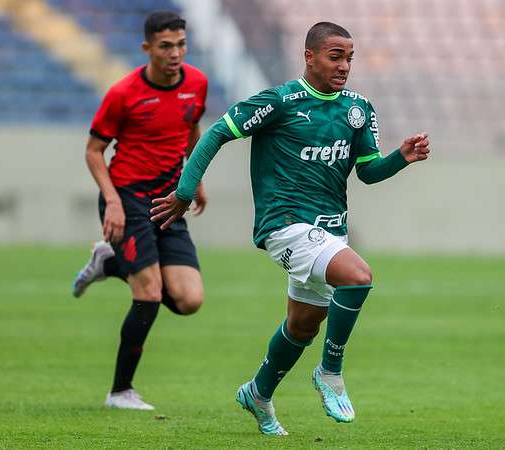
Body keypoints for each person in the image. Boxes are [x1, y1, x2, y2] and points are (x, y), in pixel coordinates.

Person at [150, 21, 430, 436]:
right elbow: (214, 136)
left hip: (330, 231)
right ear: (310, 56)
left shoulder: (358, 109)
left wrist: (400, 158)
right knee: (359, 277)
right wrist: (185, 192)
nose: (344, 66)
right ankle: (330, 372)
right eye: (335, 57)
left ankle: (258, 394)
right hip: (284, 225)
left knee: (303, 325)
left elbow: (368, 173)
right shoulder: (279, 101)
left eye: (349, 58)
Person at [70, 11, 209, 410]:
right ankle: (120, 392)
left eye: (181, 44)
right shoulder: (123, 93)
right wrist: (112, 201)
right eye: (166, 46)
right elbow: (94, 151)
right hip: (127, 198)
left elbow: (190, 130)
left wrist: (194, 178)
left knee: (188, 300)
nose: (175, 53)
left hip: (169, 200)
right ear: (147, 48)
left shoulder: (197, 82)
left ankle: (108, 262)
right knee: (148, 292)